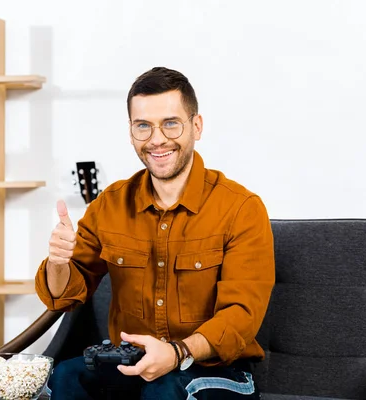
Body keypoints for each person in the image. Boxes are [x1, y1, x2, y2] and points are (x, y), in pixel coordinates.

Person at [34, 66, 275, 399]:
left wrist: (177, 352)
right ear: (131, 132)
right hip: (131, 365)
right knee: (65, 376)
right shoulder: (110, 205)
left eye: (171, 123)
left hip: (215, 371)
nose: (156, 139)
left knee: (164, 388)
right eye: (143, 126)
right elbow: (65, 296)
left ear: (196, 126)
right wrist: (58, 262)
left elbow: (240, 317)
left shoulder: (242, 209)